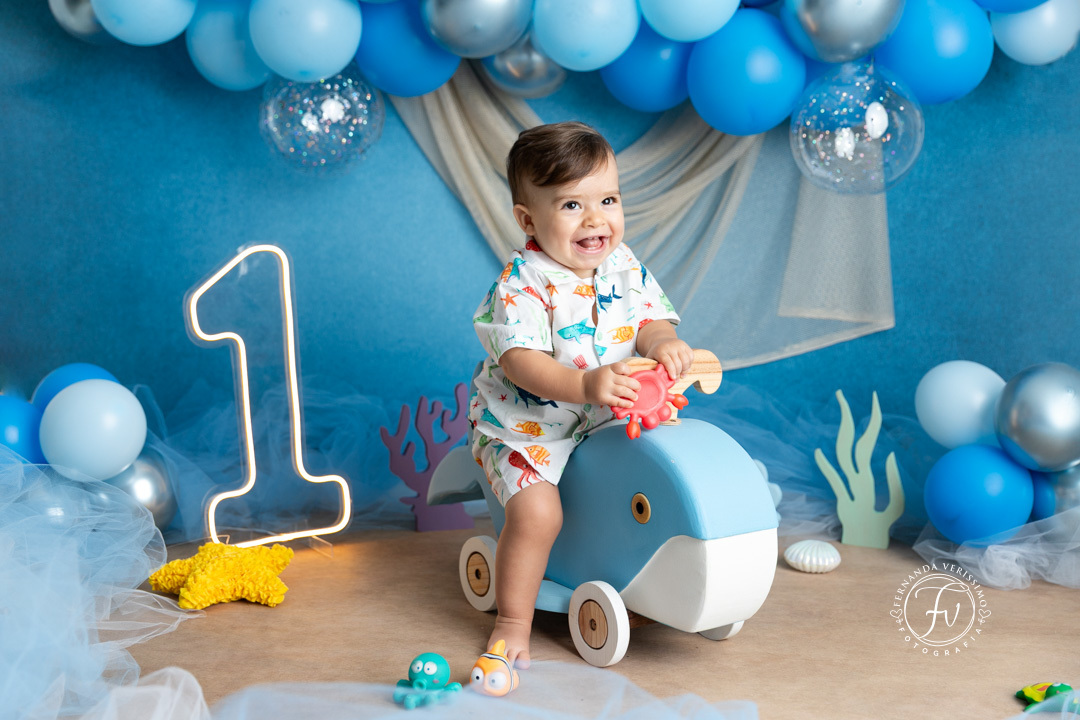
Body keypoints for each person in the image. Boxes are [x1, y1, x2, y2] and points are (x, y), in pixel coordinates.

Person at [469, 121, 694, 669]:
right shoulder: (521, 283)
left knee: (646, 476)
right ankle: (513, 620)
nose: (596, 220)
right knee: (539, 515)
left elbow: (650, 317)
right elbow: (520, 361)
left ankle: (635, 571)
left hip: (603, 419)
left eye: (608, 200)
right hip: (524, 428)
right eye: (572, 205)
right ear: (528, 220)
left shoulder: (624, 265)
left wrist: (662, 342)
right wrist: (584, 385)